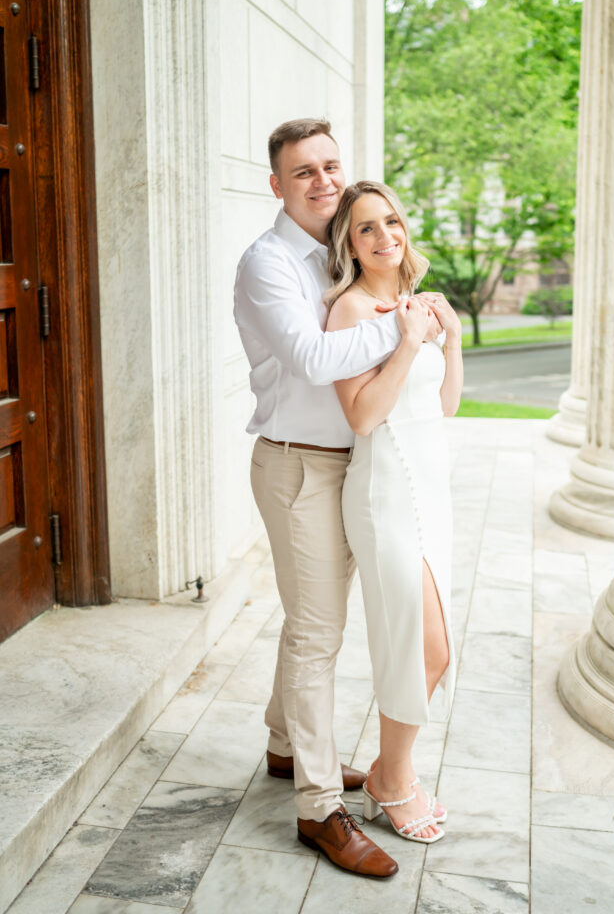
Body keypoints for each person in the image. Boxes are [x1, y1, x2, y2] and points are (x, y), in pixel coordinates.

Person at [233, 119, 442, 878]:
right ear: (276, 185)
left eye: (330, 166)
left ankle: (287, 748)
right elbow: (315, 358)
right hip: (297, 467)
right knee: (318, 636)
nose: (322, 181)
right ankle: (319, 807)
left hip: (352, 469)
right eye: (302, 173)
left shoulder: (336, 255)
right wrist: (405, 329)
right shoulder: (267, 263)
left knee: (313, 626)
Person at [326, 180, 464, 843]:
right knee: (421, 651)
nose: (385, 237)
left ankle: (387, 774)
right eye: (365, 229)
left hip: (428, 491)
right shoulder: (350, 312)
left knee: (432, 651)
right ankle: (393, 781)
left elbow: (443, 408)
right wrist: (406, 340)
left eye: (391, 222)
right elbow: (361, 415)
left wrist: (451, 339)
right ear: (348, 246)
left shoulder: (414, 302)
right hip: (383, 492)